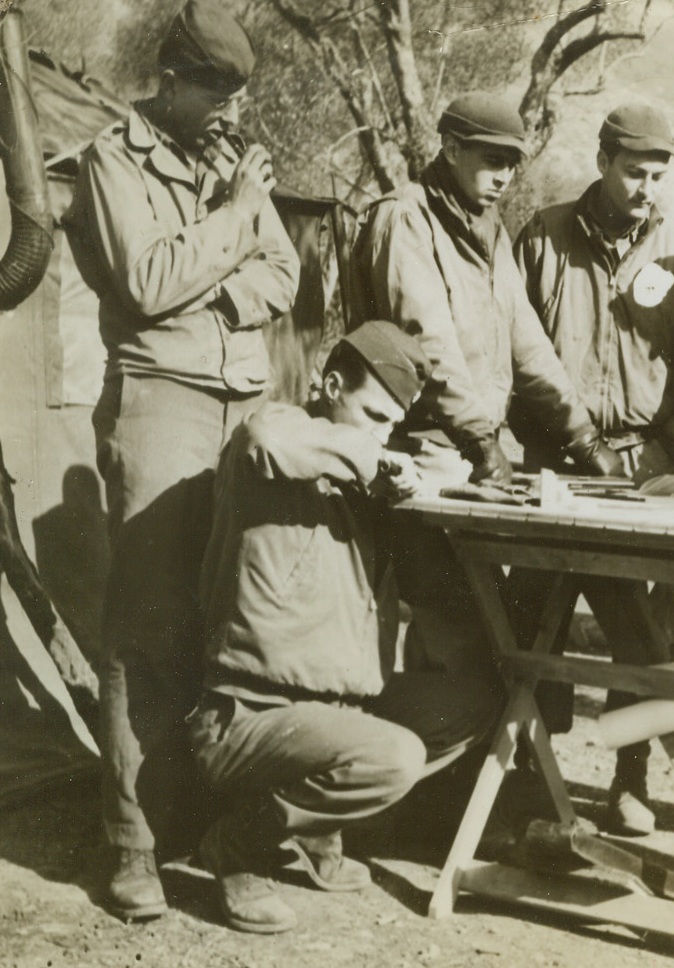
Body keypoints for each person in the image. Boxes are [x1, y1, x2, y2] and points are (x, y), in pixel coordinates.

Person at [63, 0, 299, 921]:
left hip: (245, 399)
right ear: (170, 79)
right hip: (161, 402)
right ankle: (132, 842)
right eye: (216, 90)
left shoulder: (230, 165)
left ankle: (230, 845)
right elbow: (146, 282)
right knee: (148, 623)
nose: (231, 110)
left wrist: (217, 287)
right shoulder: (111, 159)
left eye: (240, 93)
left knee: (239, 626)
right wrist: (238, 217)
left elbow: (282, 276)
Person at [188, 321, 501, 934]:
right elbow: (263, 437)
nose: (383, 435)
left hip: (334, 713)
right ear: (330, 386)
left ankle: (315, 828)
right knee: (394, 757)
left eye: (392, 425)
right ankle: (240, 846)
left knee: (474, 705)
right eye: (373, 415)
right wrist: (375, 456)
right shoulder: (274, 439)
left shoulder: (364, 480)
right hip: (248, 717)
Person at [350, 92, 622, 681]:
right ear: (450, 149)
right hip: (419, 453)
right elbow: (429, 346)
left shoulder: (488, 230)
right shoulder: (405, 219)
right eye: (491, 159)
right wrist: (483, 444)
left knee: (488, 625)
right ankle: (435, 766)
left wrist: (585, 439)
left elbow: (529, 345)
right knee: (453, 624)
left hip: (470, 456)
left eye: (512, 164)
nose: (503, 177)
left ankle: (486, 765)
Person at [511, 103, 674, 836]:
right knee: (533, 620)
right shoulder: (541, 237)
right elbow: (515, 344)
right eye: (635, 172)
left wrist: (664, 452)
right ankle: (528, 772)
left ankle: (628, 781)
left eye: (659, 175)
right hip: (554, 463)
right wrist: (545, 447)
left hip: (644, 468)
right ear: (603, 162)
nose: (647, 188)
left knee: (643, 632)